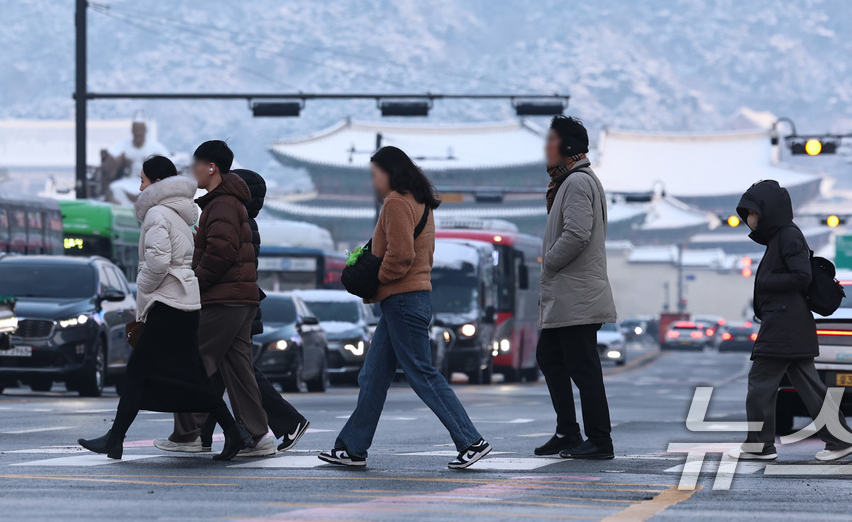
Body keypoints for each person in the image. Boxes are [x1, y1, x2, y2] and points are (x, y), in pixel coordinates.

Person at [319, 146, 491, 470]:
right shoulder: (419, 200)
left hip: (403, 299)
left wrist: (376, 280)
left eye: (375, 175)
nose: (373, 182)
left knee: (421, 372)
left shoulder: (397, 202)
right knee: (372, 376)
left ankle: (471, 441)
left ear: (390, 172)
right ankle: (352, 448)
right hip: (407, 299)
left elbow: (401, 256)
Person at [76, 155, 245, 461]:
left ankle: (115, 439)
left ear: (156, 183)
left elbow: (157, 261)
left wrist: (143, 285)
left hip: (167, 303)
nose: (140, 187)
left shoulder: (156, 213)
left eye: (142, 181)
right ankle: (234, 433)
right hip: (184, 303)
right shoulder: (180, 214)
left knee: (138, 370)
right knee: (189, 375)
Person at [727, 179, 852, 463]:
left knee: (760, 383)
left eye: (751, 212)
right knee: (810, 387)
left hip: (784, 324)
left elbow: (802, 276)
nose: (748, 218)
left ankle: (759, 445)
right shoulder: (781, 236)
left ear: (767, 210)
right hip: (788, 323)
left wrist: (766, 281)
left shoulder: (788, 236)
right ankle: (841, 439)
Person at [157, 141, 276, 457]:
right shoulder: (229, 202)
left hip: (223, 298)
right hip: (240, 299)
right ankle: (258, 436)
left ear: (211, 167)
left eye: (196, 164)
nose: (192, 170)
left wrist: (195, 282)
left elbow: (220, 253)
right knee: (239, 371)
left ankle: (188, 435)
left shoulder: (222, 204)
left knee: (192, 360)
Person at [198, 168, 311, 452]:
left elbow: (225, 261)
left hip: (232, 305)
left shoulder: (238, 220)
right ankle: (202, 435)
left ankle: (288, 421)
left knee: (239, 373)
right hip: (241, 304)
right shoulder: (245, 219)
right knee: (223, 373)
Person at [533, 115, 616, 460]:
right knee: (550, 357)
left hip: (576, 295)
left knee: (583, 368)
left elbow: (577, 234)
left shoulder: (577, 182)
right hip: (568, 295)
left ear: (567, 146)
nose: (546, 146)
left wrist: (549, 262)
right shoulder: (568, 181)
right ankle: (567, 431)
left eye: (551, 139)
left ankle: (599, 439)